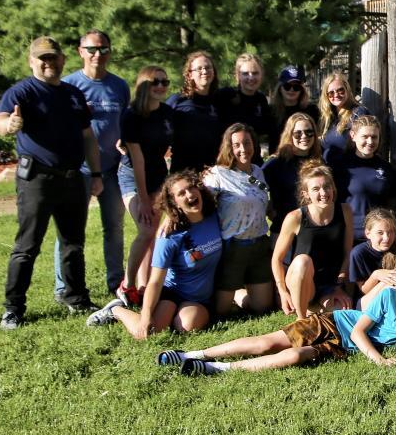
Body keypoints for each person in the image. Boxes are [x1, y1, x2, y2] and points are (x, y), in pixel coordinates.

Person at [158, 256, 396, 375]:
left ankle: (216, 369)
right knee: (268, 343)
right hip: (335, 323)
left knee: (294, 356)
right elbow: (358, 331)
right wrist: (379, 360)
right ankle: (192, 354)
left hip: (344, 348)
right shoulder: (390, 296)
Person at [0, 36, 102, 328]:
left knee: (73, 244)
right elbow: (0, 120)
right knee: (27, 246)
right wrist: (9, 125)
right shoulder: (22, 91)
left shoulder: (73, 94)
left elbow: (88, 137)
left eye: (53, 57)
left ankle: (76, 298)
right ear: (31, 61)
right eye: (42, 58)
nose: (49, 63)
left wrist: (95, 174)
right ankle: (13, 309)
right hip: (37, 180)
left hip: (72, 178)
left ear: (63, 59)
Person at [86, 171, 221, 337]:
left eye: (191, 188)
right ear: (175, 203)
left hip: (199, 298)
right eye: (181, 193)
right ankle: (116, 310)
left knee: (187, 326)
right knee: (148, 333)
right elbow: (155, 281)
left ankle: (172, 317)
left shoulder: (215, 216)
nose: (189, 194)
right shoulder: (169, 236)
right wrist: (146, 316)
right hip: (172, 292)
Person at [54, 29, 129, 302]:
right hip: (79, 170)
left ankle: (116, 282)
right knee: (70, 231)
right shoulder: (68, 85)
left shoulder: (119, 86)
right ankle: (64, 286)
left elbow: (126, 122)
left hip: (113, 169)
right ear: (80, 51)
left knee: (114, 228)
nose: (98, 54)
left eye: (104, 49)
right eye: (92, 49)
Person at [202, 124, 274, 316]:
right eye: (237, 145)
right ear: (229, 147)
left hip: (259, 244)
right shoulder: (217, 174)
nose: (243, 149)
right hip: (233, 247)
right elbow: (200, 205)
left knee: (262, 307)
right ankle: (232, 292)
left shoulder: (258, 171)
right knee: (221, 311)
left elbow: (262, 201)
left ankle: (239, 293)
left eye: (247, 143)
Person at [117, 66, 175, 305]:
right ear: (143, 85)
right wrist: (142, 199)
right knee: (147, 229)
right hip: (132, 176)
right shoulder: (131, 115)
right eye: (155, 82)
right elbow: (138, 160)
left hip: (159, 175)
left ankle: (145, 287)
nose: (160, 86)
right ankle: (127, 284)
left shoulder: (167, 112)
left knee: (153, 233)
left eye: (164, 82)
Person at [272, 161, 354, 319]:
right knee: (303, 261)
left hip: (329, 284)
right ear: (306, 194)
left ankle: (315, 309)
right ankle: (301, 319)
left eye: (327, 186)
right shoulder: (295, 217)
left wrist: (338, 286)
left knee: (341, 313)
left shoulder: (345, 211)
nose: (323, 193)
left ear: (333, 188)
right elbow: (277, 259)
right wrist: (282, 291)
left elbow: (347, 253)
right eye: (316, 189)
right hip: (302, 281)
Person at [331, 115, 396, 244]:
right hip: (348, 236)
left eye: (374, 137)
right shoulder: (341, 166)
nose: (370, 141)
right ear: (353, 135)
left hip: (378, 239)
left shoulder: (385, 168)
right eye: (365, 136)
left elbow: (392, 203)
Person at [262, 112, 322, 237]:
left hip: (314, 230)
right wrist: (269, 208)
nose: (304, 136)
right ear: (289, 135)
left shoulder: (320, 162)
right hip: (283, 230)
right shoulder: (276, 163)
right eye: (298, 133)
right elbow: (254, 186)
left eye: (309, 132)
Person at [166, 50, 222, 173]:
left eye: (208, 67)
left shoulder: (220, 101)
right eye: (199, 68)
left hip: (212, 173)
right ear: (190, 74)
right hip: (183, 172)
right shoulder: (177, 101)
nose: (204, 71)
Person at [214, 52, 275, 158]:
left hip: (252, 159)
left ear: (261, 75)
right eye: (245, 73)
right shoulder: (225, 95)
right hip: (228, 158)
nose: (251, 78)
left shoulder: (261, 99)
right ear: (237, 75)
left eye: (255, 73)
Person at [318, 70, 367, 164]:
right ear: (326, 96)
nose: (336, 95)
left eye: (340, 90)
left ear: (347, 89)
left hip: (349, 168)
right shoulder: (327, 116)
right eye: (331, 93)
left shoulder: (358, 113)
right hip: (329, 169)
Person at [269, 64, 320, 132]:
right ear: (280, 88)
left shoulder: (312, 110)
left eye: (296, 87)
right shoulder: (270, 112)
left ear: (301, 90)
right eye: (287, 86)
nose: (291, 90)